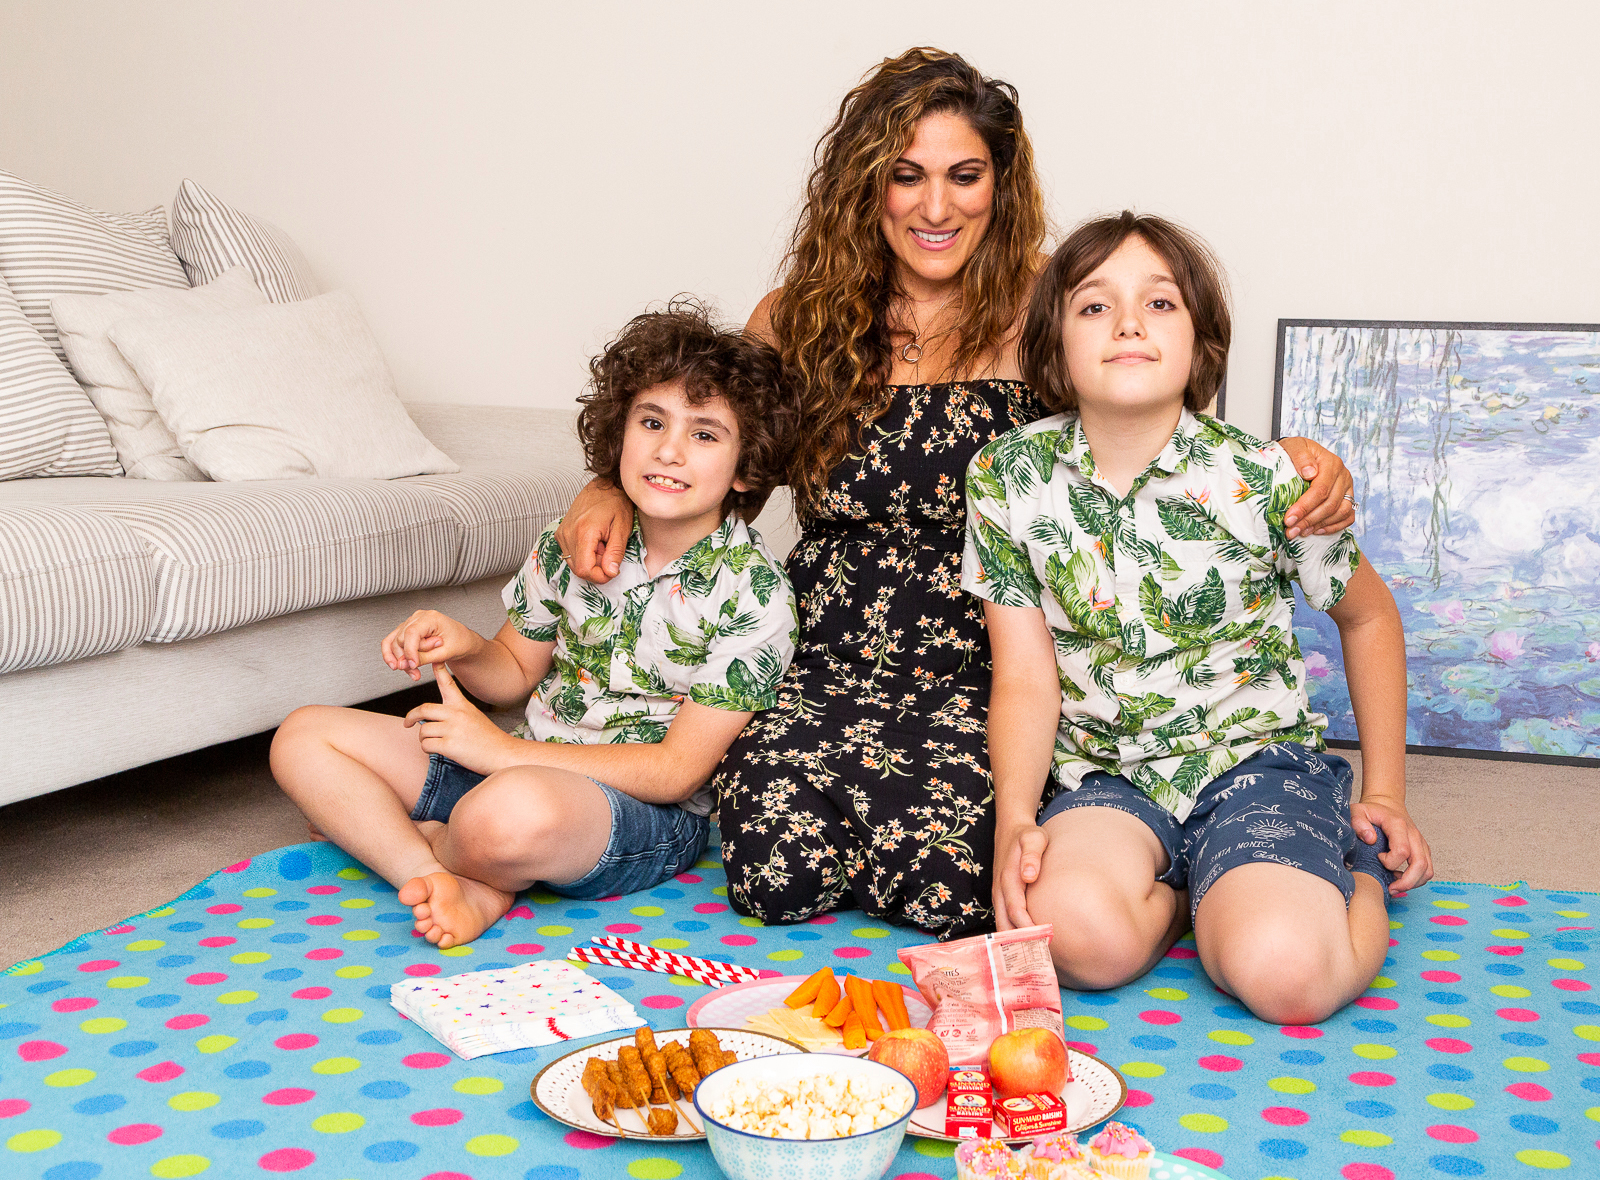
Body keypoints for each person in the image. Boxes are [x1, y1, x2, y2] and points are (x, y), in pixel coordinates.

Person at [555, 48, 1357, 940]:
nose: (936, 207)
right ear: (867, 187)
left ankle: (1178, 877)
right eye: (907, 177)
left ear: (999, 186)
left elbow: (1157, 426)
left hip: (997, 660)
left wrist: (1299, 457)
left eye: (964, 175)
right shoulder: (795, 315)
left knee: (955, 888)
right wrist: (607, 487)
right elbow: (713, 447)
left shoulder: (1055, 301)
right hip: (824, 653)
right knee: (773, 872)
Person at [968, 212, 1434, 1023]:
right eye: (1093, 306)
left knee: (1288, 976)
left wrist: (1386, 795)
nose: (1127, 325)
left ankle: (1331, 868)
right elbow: (1025, 673)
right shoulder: (1007, 477)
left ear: (1200, 341)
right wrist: (1015, 819)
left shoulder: (1265, 475)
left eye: (1160, 304)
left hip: (1252, 761)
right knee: (1065, 938)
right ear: (1052, 343)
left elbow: (1368, 618)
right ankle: (1193, 891)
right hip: (1106, 776)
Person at [270, 305, 798, 948]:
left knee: (507, 814)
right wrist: (465, 647)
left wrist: (499, 753)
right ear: (619, 433)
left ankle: (449, 848)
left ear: (747, 466)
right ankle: (433, 871)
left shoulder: (756, 596)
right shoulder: (571, 540)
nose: (669, 450)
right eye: (652, 422)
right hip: (513, 766)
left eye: (706, 435)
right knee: (303, 736)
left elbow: (675, 773)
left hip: (635, 813)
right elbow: (513, 673)